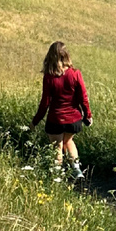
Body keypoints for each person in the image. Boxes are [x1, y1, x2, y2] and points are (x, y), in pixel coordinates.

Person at [31, 41, 92, 180]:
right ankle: (77, 171)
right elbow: (83, 97)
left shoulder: (49, 77)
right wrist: (88, 115)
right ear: (66, 55)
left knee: (57, 146)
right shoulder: (75, 74)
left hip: (55, 119)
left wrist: (36, 120)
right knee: (68, 141)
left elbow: (45, 102)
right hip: (74, 119)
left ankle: (56, 175)